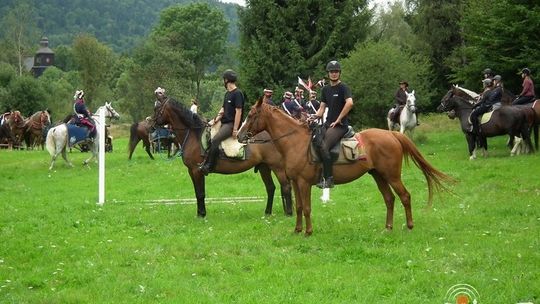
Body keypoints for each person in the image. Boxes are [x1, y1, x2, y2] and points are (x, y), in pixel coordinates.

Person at [311, 60, 354, 189]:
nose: (334, 74)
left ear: (339, 73)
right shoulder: (325, 89)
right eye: (331, 72)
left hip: (340, 126)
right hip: (328, 124)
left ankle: (328, 178)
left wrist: (339, 118)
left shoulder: (343, 87)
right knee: (315, 140)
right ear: (328, 74)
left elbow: (350, 103)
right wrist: (313, 116)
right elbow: (322, 108)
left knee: (324, 146)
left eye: (336, 71)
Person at [199, 69, 244, 175]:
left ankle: (209, 166)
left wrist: (235, 129)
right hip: (224, 122)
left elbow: (239, 112)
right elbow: (223, 109)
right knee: (209, 134)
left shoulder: (237, 93)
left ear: (226, 80)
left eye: (223, 79)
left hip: (231, 124)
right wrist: (214, 121)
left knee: (215, 140)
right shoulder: (227, 94)